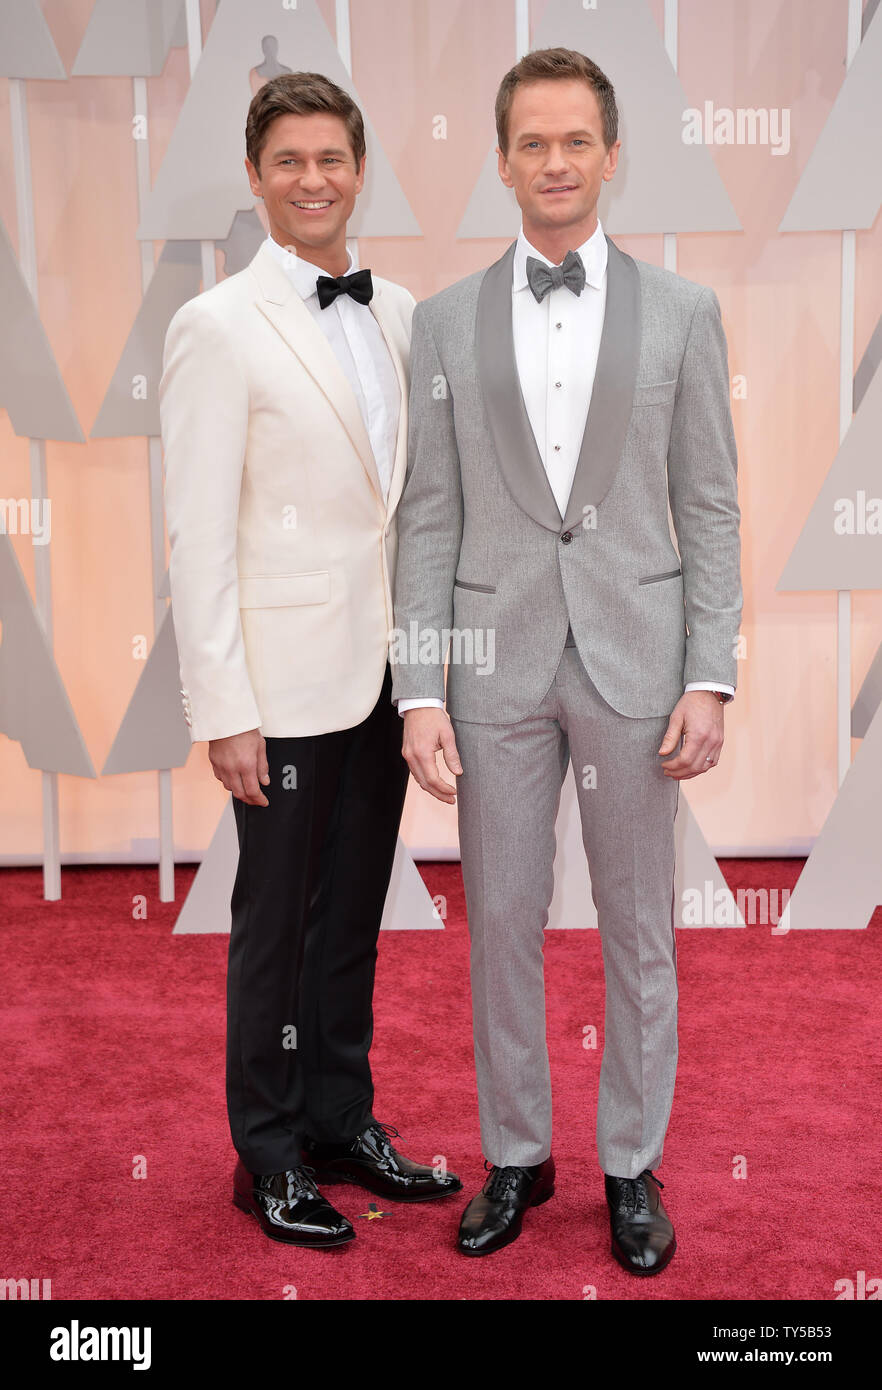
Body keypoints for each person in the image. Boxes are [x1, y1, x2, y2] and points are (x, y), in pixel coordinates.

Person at [391, 47, 741, 1272]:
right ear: (499, 159)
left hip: (641, 664)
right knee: (500, 920)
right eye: (531, 142)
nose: (554, 161)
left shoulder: (688, 313)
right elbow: (427, 513)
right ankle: (518, 1155)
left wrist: (711, 671)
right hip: (490, 670)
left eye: (575, 140)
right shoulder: (439, 322)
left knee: (641, 927)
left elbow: (710, 509)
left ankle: (632, 1166)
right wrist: (422, 684)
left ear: (609, 154)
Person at [160, 71, 461, 1249]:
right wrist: (223, 706)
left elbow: (408, 512)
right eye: (288, 160)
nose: (313, 179)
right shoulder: (216, 325)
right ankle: (269, 1153)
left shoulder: (398, 315)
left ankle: (342, 1120)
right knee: (274, 921)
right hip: (278, 688)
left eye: (332, 157)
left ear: (359, 166)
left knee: (351, 919)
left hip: (380, 677)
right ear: (255, 176)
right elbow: (196, 531)